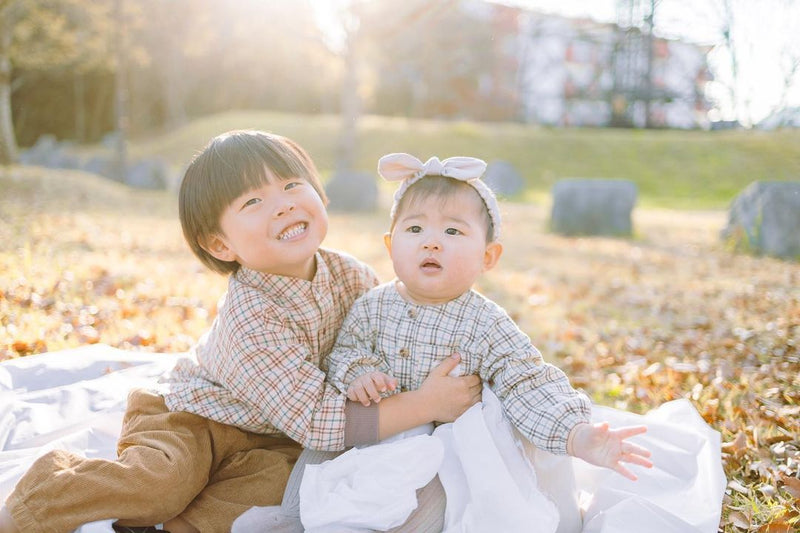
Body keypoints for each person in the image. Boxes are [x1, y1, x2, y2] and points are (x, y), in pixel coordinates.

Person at [0, 133, 481, 533]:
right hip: (197, 418)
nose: (282, 205)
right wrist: (425, 405)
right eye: (253, 200)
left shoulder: (351, 276)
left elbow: (387, 339)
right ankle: (41, 499)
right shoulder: (250, 316)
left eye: (293, 185)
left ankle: (170, 526)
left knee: (277, 503)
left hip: (274, 436)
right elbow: (317, 419)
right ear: (221, 244)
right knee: (160, 484)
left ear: (322, 195)